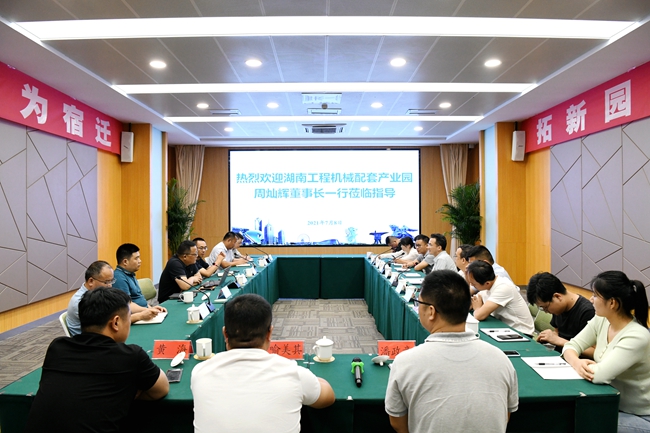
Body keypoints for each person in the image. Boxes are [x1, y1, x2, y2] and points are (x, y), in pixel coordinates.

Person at [385, 270, 518, 432]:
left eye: (419, 303)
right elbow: (505, 416)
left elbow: (398, 422)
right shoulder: (501, 358)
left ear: (431, 312)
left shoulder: (406, 361)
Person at [25, 287, 169, 433]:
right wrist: (128, 391)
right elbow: (161, 389)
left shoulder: (57, 347)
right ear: (116, 323)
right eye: (129, 317)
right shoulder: (130, 355)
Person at [191, 293, 335, 432]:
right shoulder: (293, 373)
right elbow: (328, 396)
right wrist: (310, 379)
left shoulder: (200, 372)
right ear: (269, 333)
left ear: (225, 334)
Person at [563, 271, 650, 433]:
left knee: (582, 421)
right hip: (612, 404)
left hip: (639, 415)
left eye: (595, 295)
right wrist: (577, 362)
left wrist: (582, 365)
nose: (591, 299)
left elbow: (599, 376)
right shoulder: (601, 319)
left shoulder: (637, 336)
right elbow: (571, 345)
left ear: (612, 303)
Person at [67, 261, 164, 336]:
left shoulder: (100, 293)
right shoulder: (80, 302)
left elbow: (126, 304)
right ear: (91, 281)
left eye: (111, 281)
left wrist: (147, 309)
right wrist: (140, 316)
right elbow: (109, 324)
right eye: (106, 282)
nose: (110, 285)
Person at [527, 272, 595, 356]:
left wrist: (558, 340)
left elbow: (594, 352)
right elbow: (557, 332)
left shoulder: (588, 312)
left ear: (557, 297)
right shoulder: (558, 308)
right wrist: (549, 336)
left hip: (577, 360)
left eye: (545, 307)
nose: (546, 311)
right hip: (560, 356)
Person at [467, 260, 534, 336]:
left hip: (521, 332)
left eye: (474, 284)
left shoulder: (503, 287)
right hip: (504, 328)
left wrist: (477, 309)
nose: (471, 285)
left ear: (487, 283)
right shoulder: (488, 284)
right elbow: (474, 301)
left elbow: (479, 315)